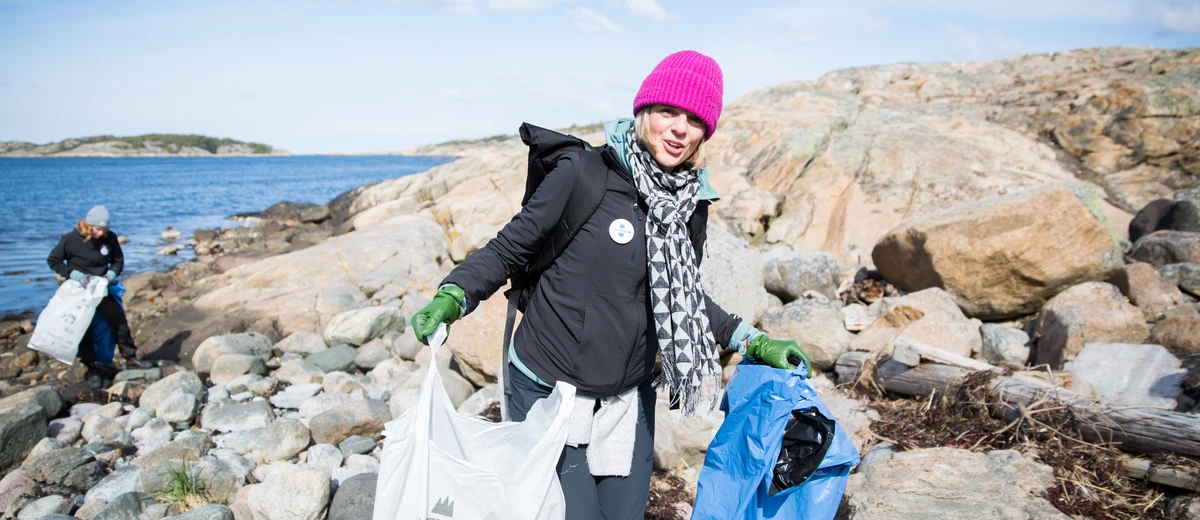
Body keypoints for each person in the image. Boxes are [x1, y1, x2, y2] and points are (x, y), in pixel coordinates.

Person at [410, 50, 810, 519]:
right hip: (549, 388)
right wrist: (454, 295)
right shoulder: (583, 173)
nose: (679, 129)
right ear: (644, 111)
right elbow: (508, 250)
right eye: (668, 111)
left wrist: (751, 340)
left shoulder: (690, 204)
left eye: (694, 120)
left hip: (627, 396)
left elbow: (678, 294)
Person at [47, 205, 153, 389]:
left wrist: (112, 274)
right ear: (88, 225)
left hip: (101, 288)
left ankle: (130, 358)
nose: (101, 233)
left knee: (119, 322)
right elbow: (53, 260)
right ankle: (91, 367)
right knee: (84, 328)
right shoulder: (70, 239)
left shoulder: (109, 238)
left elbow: (118, 261)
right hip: (79, 290)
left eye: (104, 229)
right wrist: (74, 275)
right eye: (98, 229)